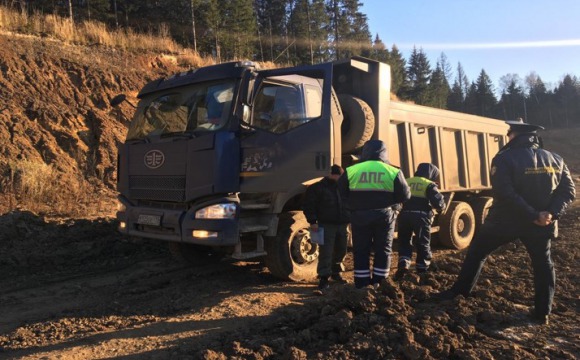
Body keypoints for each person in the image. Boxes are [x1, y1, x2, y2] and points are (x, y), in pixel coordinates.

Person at [434, 119, 575, 325]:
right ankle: (542, 312)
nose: (508, 137)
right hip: (541, 225)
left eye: (509, 134)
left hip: (505, 222)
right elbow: (568, 192)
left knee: (477, 252)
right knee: (543, 264)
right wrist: (549, 214)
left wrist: (532, 214)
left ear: (514, 135)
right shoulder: (556, 159)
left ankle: (460, 292)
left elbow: (504, 193)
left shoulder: (504, 158)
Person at [338, 140, 411, 289]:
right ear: (384, 152)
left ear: (365, 152)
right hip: (384, 215)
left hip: (359, 215)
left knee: (361, 249)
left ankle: (362, 284)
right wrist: (394, 205)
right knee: (383, 248)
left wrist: (351, 208)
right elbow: (405, 195)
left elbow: (341, 192)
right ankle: (380, 282)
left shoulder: (352, 170)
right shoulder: (393, 171)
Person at [303, 164, 350, 291]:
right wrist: (313, 222)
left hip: (342, 224)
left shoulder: (344, 187)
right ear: (334, 175)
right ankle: (323, 278)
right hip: (325, 224)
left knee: (341, 250)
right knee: (326, 252)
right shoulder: (316, 188)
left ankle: (336, 273)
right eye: (340, 176)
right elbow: (309, 205)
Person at [395, 163, 446, 279]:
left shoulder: (406, 181)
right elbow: (439, 204)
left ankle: (404, 263)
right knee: (423, 242)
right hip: (421, 217)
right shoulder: (429, 184)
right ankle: (422, 269)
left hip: (404, 216)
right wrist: (441, 207)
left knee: (404, 241)